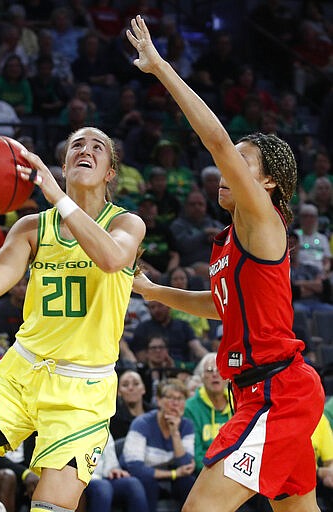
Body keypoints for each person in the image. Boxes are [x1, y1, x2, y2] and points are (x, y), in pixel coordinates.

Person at [127, 15, 325, 512]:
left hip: (276, 392)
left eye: (240, 161)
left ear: (267, 183)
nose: (225, 167)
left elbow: (215, 139)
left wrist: (161, 68)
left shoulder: (264, 217)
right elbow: (221, 308)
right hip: (262, 391)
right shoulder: (231, 242)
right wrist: (154, 292)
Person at [0, 125, 145, 512]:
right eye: (76, 145)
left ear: (110, 173)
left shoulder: (126, 224)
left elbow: (113, 259)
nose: (86, 149)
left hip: (82, 394)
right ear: (65, 165)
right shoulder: (33, 227)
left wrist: (55, 194)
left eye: (97, 146)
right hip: (21, 372)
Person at [122, 378, 195, 512]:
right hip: (145, 476)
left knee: (189, 482)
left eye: (180, 399)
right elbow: (135, 468)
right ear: (159, 400)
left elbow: (185, 466)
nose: (175, 404)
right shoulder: (141, 423)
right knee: (147, 482)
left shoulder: (187, 425)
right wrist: (173, 474)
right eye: (170, 398)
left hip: (172, 479)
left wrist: (175, 433)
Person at [184, 352, 231, 475]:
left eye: (219, 369)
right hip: (205, 473)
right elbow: (196, 453)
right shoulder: (190, 407)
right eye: (209, 371)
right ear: (202, 377)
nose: (215, 374)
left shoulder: (237, 402)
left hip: (235, 472)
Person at [83, 431, 149, 512]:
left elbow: (110, 463)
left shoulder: (103, 427)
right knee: (103, 487)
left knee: (133, 484)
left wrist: (114, 470)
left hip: (102, 478)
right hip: (81, 479)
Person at [110, 369, 153, 441]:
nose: (131, 388)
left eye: (136, 384)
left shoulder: (155, 415)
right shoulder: (113, 420)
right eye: (125, 385)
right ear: (119, 392)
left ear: (144, 389)